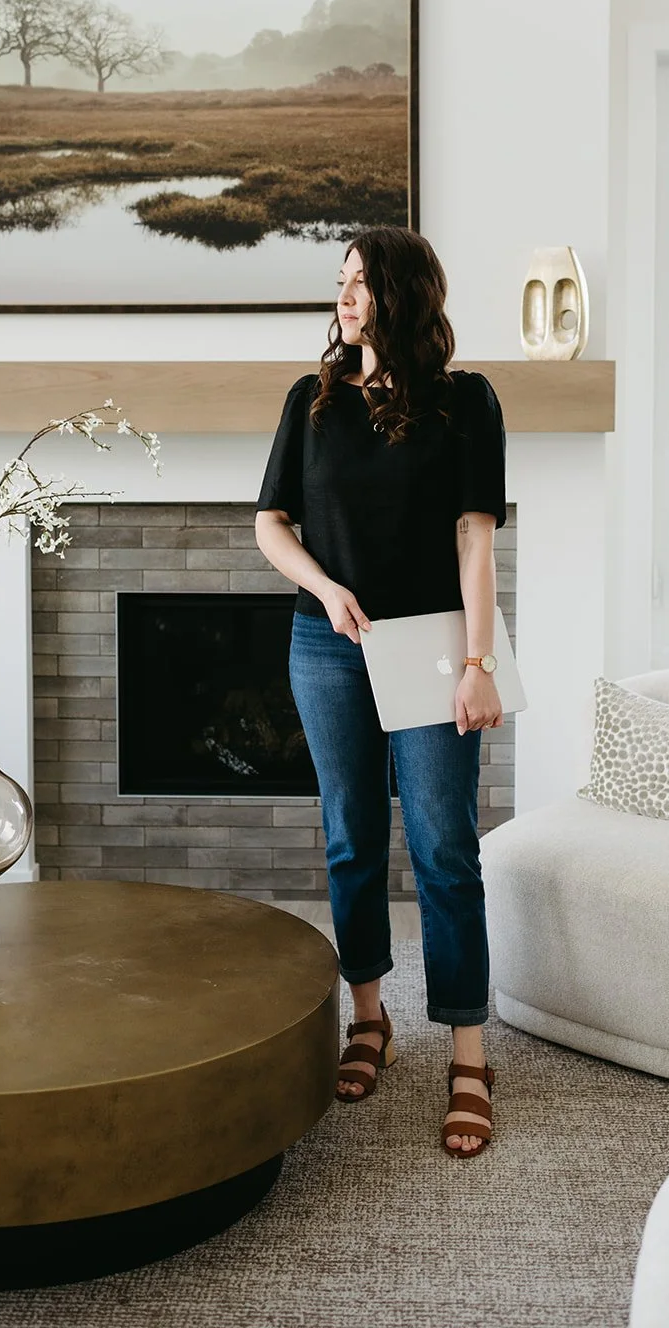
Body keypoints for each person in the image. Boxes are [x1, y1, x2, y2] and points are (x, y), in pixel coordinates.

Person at [254, 225, 506, 1159]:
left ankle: (468, 1056)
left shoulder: (465, 401)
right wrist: (325, 590)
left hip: (433, 649)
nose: (344, 293)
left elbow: (475, 540)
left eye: (360, 280)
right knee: (351, 837)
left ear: (400, 293)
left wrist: (478, 665)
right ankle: (369, 1018)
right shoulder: (312, 399)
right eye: (341, 279)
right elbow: (270, 524)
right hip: (327, 645)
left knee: (444, 850)